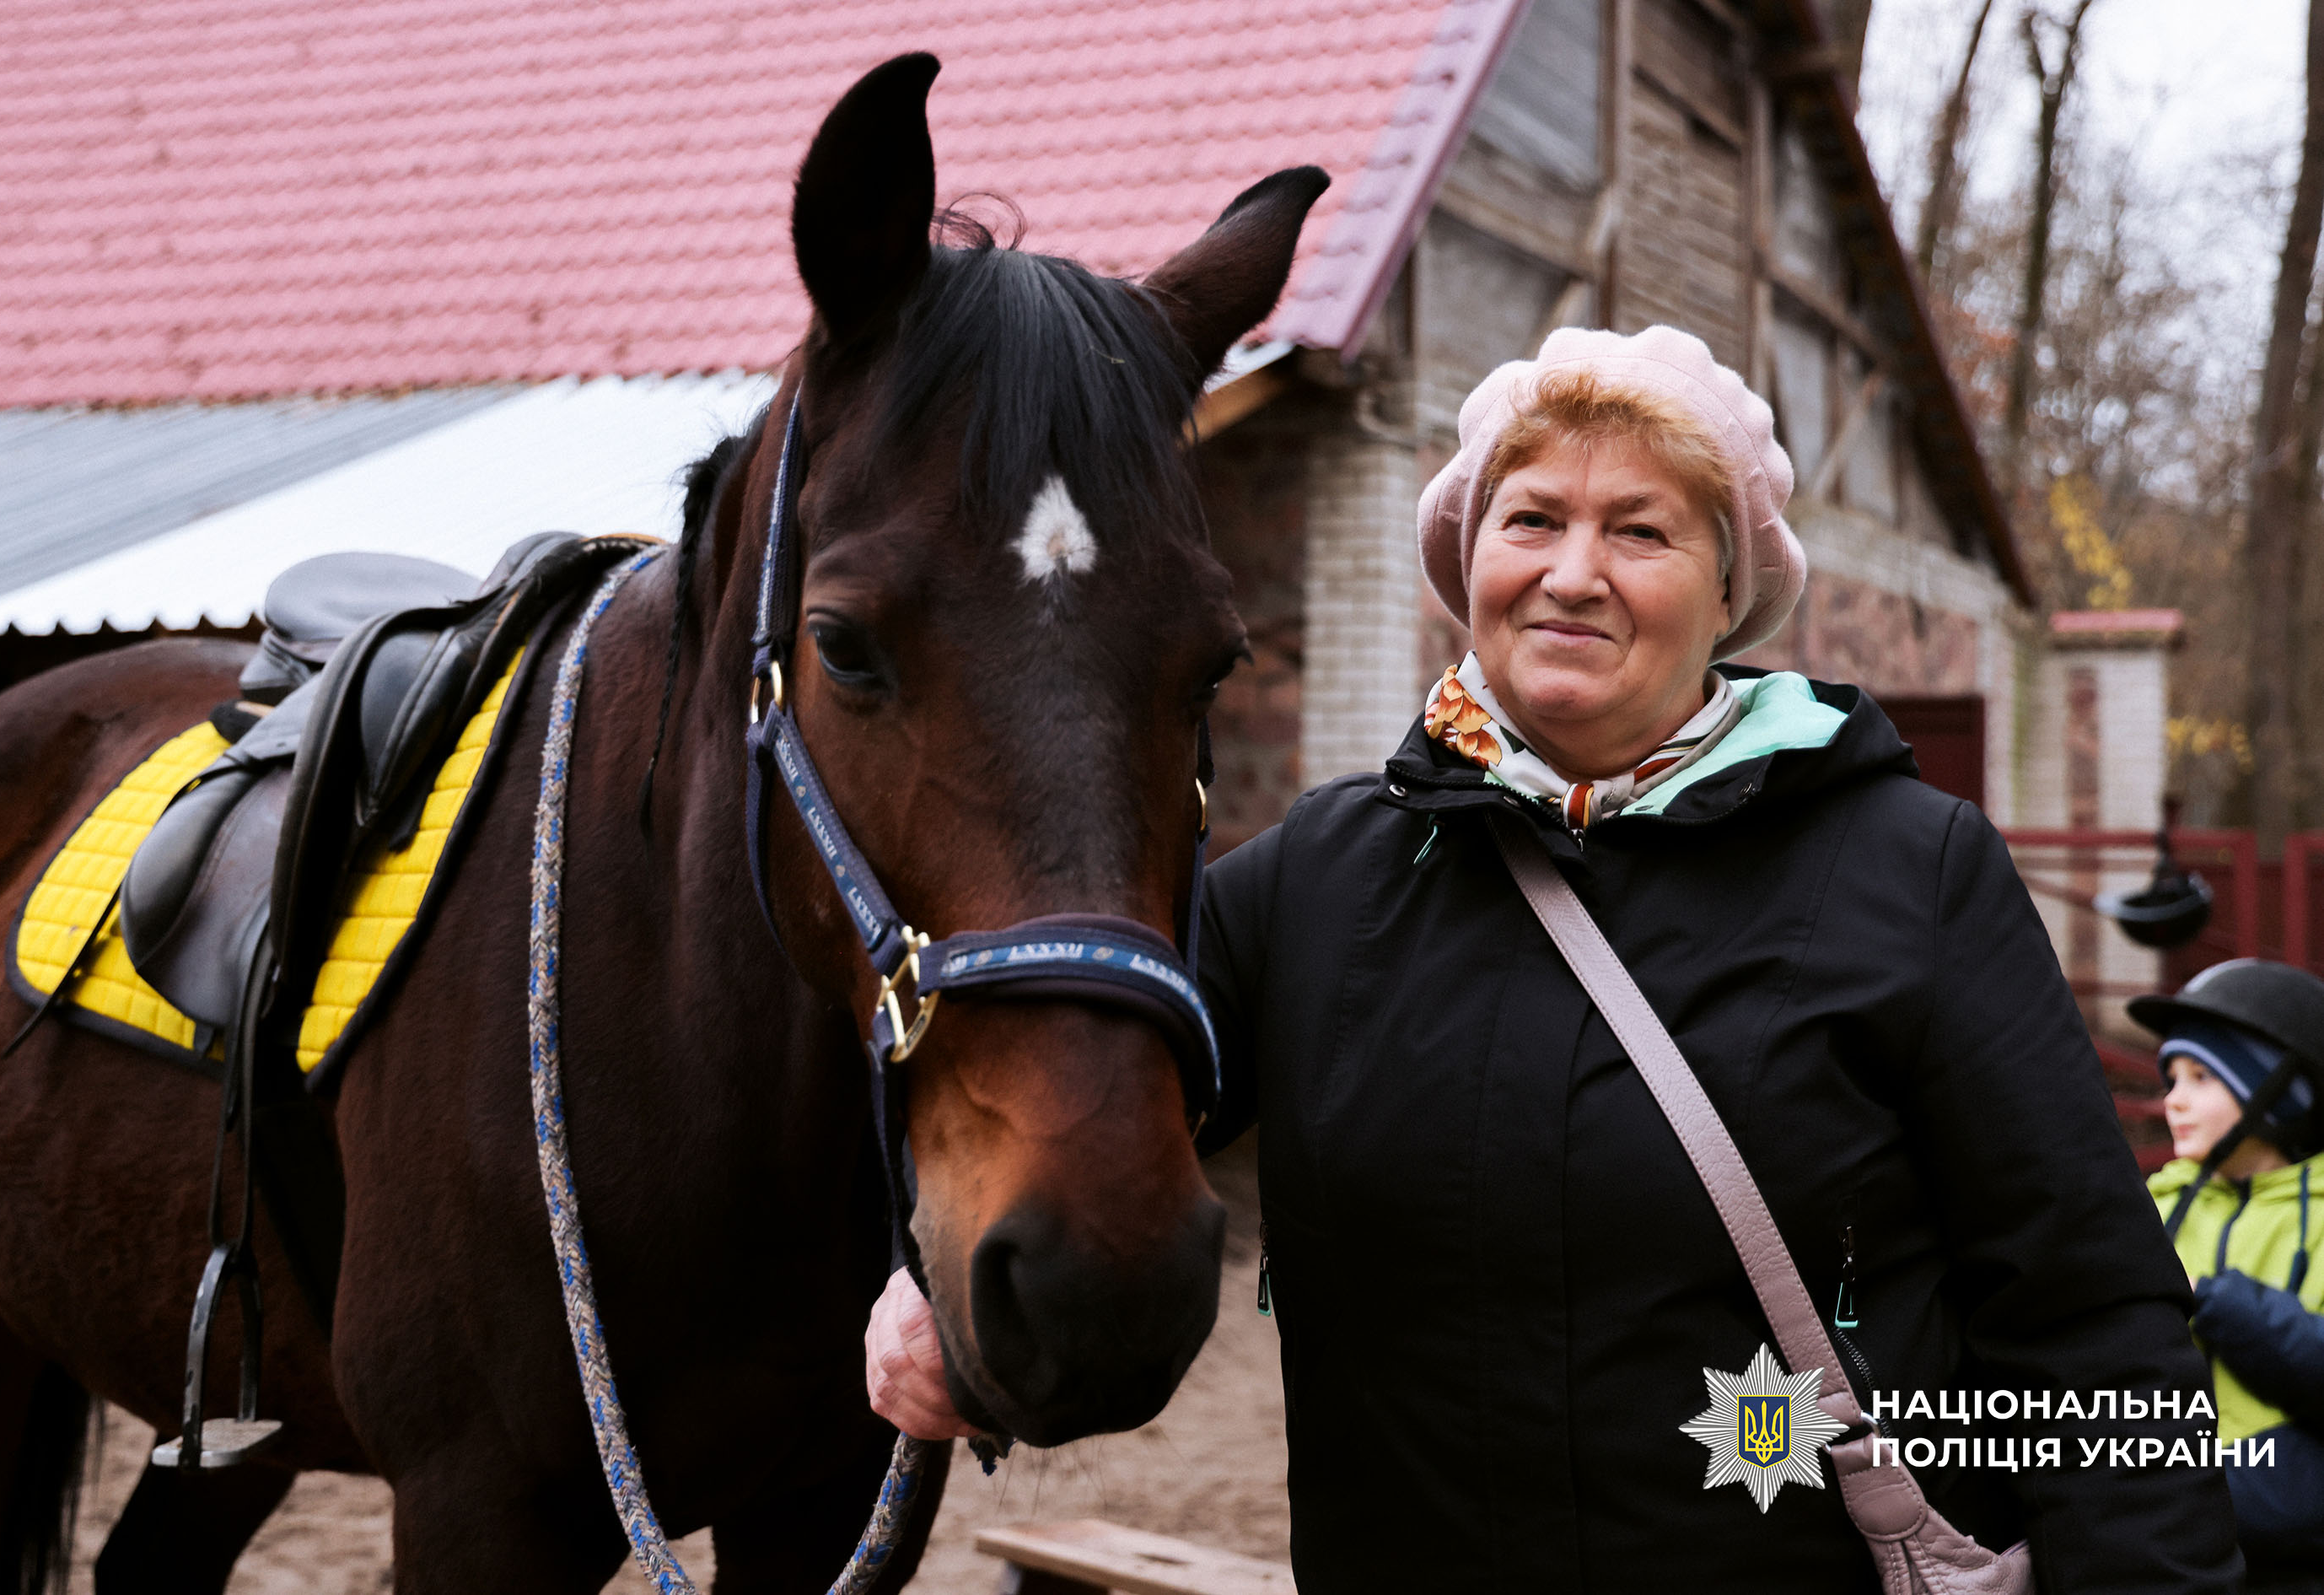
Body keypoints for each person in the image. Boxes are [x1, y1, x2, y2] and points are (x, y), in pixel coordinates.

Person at [866, 326, 2240, 1589]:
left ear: (1727, 591)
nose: (1572, 571)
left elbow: (2089, 1319)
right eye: (1533, 519)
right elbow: (1067, 1098)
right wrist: (940, 1297)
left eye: (1639, 530)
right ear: (1472, 563)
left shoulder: (1910, 872)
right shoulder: (1322, 878)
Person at [2133, 959, 2324, 1591]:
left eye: (2201, 1076)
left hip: (2293, 1559)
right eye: (2170, 1077)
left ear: (2279, 1092)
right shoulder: (2145, 1211)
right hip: (2162, 1545)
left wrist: (2227, 1306)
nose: (2172, 1099)